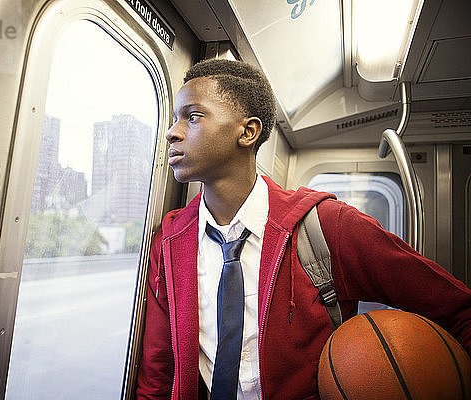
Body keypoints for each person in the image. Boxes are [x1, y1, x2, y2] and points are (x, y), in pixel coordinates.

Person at [135, 59, 471, 400]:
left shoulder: (326, 225)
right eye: (175, 117)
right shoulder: (170, 241)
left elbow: (458, 310)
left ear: (247, 132)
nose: (172, 132)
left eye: (192, 116)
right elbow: (158, 374)